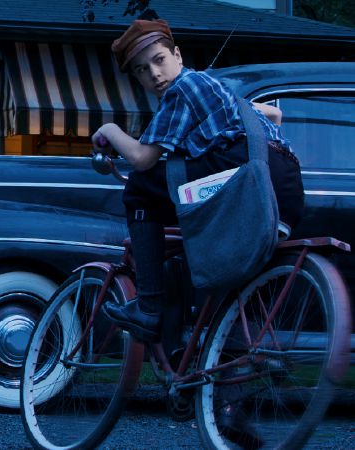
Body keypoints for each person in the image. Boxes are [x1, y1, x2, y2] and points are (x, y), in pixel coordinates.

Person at [94, 19, 304, 343]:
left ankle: (149, 307)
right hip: (285, 185)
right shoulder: (212, 88)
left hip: (249, 174)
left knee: (140, 189)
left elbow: (142, 158)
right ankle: (236, 357)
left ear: (177, 55)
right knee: (234, 266)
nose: (154, 74)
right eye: (141, 70)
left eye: (159, 59)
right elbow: (274, 116)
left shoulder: (183, 89)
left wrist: (108, 130)